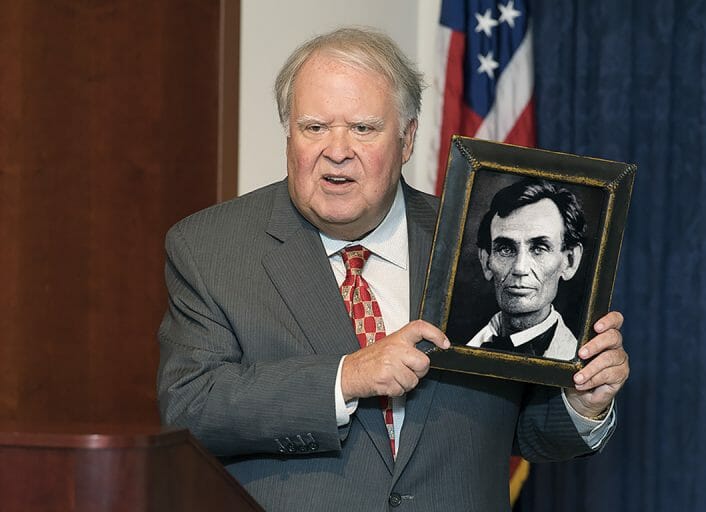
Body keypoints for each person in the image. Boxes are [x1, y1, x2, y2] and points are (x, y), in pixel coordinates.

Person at [157, 27, 629, 512]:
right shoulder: (211, 248)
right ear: (289, 134)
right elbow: (190, 407)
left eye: (363, 128)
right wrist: (345, 377)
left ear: (407, 139)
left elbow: (520, 430)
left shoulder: (474, 247)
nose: (337, 150)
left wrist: (582, 403)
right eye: (314, 127)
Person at [466, 179, 586, 360]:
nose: (520, 268)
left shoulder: (589, 364)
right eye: (505, 250)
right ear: (486, 261)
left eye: (539, 249)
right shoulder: (448, 349)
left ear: (569, 261)